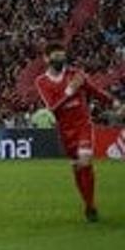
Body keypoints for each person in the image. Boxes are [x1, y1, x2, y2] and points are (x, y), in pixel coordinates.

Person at [36, 48, 118, 222]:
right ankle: (88, 204)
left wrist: (114, 102)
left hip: (83, 125)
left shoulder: (76, 74)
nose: (60, 59)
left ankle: (90, 204)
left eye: (62, 56)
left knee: (85, 160)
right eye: (56, 56)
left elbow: (95, 91)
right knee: (77, 167)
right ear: (46, 58)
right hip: (65, 130)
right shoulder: (42, 82)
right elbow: (52, 107)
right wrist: (70, 90)